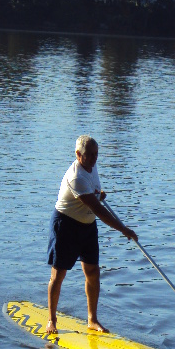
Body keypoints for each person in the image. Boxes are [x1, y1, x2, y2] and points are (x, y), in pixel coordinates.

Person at [46, 135, 137, 335]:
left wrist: (96, 194)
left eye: (97, 154)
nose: (95, 158)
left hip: (87, 226)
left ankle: (92, 320)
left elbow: (93, 195)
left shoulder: (91, 166)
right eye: (90, 155)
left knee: (93, 272)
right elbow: (98, 210)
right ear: (78, 155)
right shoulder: (76, 177)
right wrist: (124, 229)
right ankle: (51, 320)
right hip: (66, 225)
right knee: (59, 274)